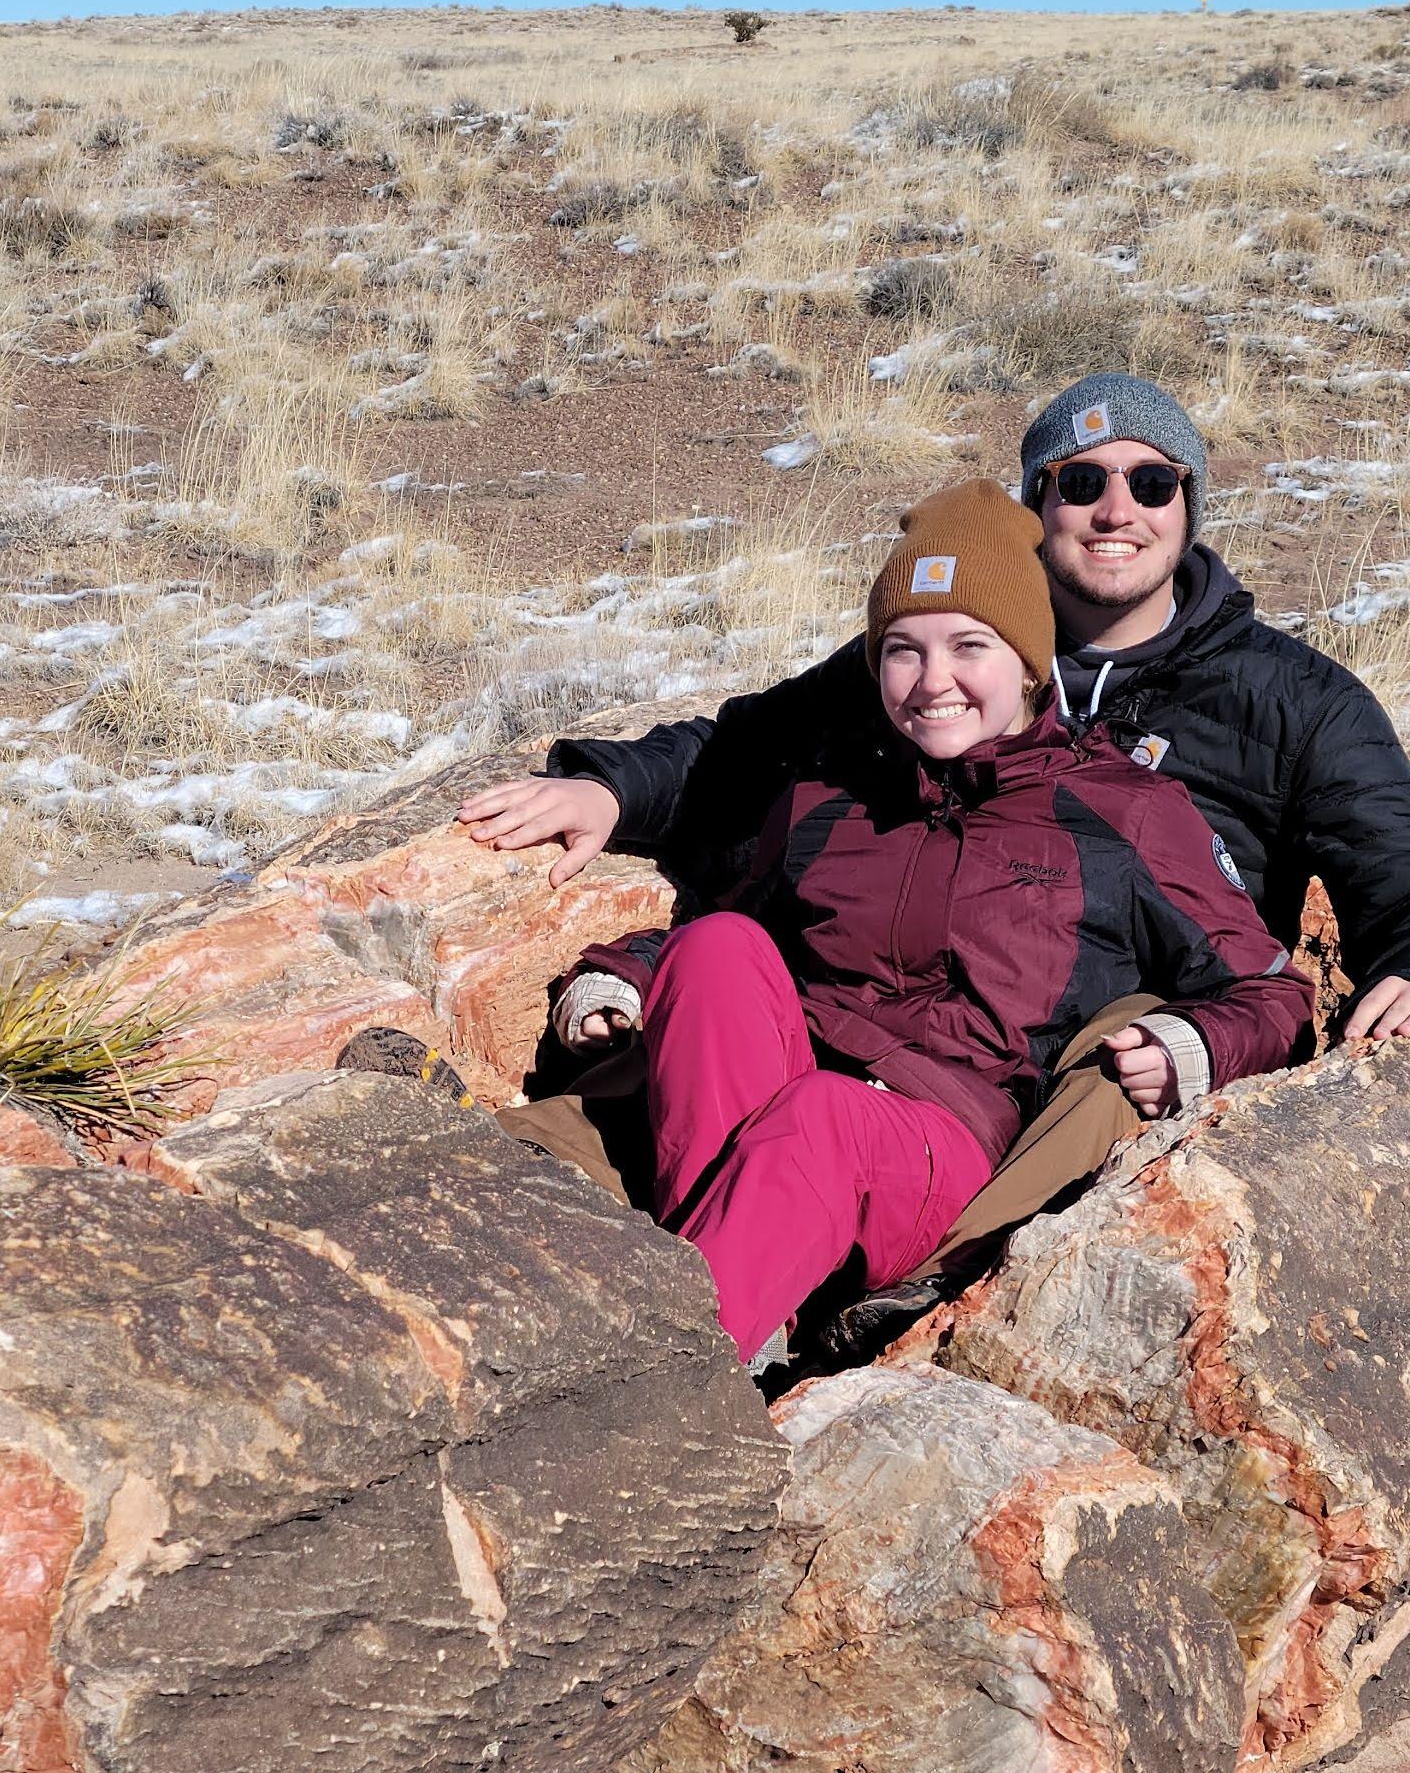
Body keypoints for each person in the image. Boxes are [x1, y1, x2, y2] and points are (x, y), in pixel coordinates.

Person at [461, 368, 1410, 1050]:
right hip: (925, 1026)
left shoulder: (1291, 697)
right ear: (1035, 506)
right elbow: (753, 745)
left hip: (1130, 1046)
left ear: (1190, 508)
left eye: (1153, 484)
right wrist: (608, 790)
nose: (1115, 509)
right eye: (1079, 480)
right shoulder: (960, 649)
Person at [547, 480, 1312, 1366]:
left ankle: (674, 1378)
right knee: (719, 950)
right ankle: (738, 1312)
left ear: (1029, 660)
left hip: (940, 1140)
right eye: (902, 651)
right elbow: (714, 933)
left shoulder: (1122, 812)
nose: (932, 681)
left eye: (969, 646)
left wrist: (1193, 1044)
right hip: (780, 1093)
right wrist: (618, 977)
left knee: (821, 1122)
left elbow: (1268, 991)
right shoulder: (826, 799)